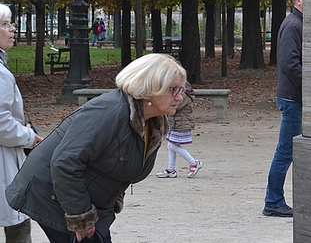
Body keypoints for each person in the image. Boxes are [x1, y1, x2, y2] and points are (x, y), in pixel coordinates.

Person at [6, 53, 186, 243]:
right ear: (149, 87)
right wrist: (81, 219)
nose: (180, 97)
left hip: (85, 199)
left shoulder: (154, 123)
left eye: (181, 90)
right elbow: (65, 162)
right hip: (51, 193)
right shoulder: (110, 111)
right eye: (173, 90)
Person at [0, 4, 43, 243]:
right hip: (3, 161)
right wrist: (28, 136)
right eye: (5, 24)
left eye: (11, 23)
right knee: (17, 227)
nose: (12, 29)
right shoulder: (0, 73)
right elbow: (1, 124)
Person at [262, 0, 303, 218]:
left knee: (287, 150)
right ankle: (273, 200)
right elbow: (289, 64)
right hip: (292, 98)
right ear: (298, 1)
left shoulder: (297, 24)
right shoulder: (293, 25)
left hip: (294, 97)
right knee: (285, 151)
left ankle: (274, 199)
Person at [156, 80, 203, 178]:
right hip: (175, 123)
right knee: (170, 145)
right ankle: (171, 169)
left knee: (173, 145)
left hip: (182, 123)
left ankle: (193, 162)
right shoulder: (178, 91)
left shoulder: (184, 94)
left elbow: (174, 107)